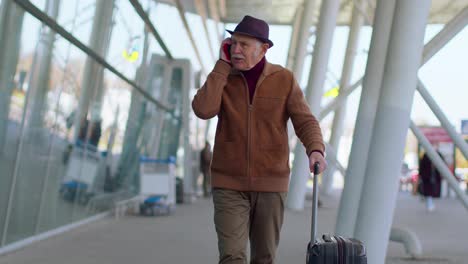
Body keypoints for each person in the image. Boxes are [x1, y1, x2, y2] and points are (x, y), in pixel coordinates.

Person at [191, 15, 327, 263]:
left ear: (264, 49)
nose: (236, 50)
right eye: (233, 43)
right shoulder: (223, 78)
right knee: (232, 255)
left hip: (271, 184)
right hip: (228, 183)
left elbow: (305, 120)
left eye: (244, 45)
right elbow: (203, 109)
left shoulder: (284, 79)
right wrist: (221, 66)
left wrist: (315, 149)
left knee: (264, 257)